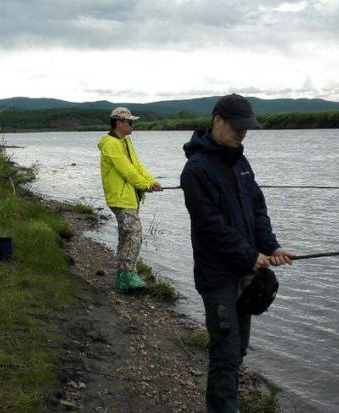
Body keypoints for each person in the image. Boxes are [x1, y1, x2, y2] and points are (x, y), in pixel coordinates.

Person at [180, 94, 294, 413]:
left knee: (239, 349)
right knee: (226, 353)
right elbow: (210, 226)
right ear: (217, 121)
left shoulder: (241, 162)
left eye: (247, 128)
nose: (242, 134)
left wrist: (270, 247)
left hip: (246, 272)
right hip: (217, 277)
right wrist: (249, 255)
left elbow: (257, 208)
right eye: (237, 127)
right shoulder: (195, 170)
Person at [97, 107, 162, 291]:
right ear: (119, 123)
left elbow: (137, 166)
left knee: (127, 235)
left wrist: (151, 181)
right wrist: (145, 185)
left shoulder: (126, 141)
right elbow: (126, 171)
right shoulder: (110, 144)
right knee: (134, 235)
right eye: (130, 122)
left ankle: (123, 277)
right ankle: (127, 276)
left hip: (129, 197)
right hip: (120, 199)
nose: (133, 125)